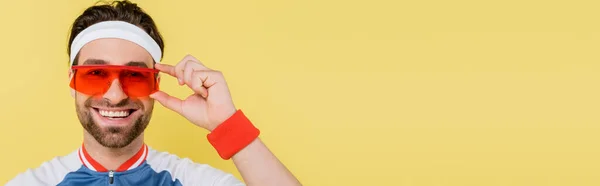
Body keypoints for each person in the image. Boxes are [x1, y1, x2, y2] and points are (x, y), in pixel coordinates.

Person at [6, 1, 301, 185]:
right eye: (95, 74)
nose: (116, 94)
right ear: (72, 81)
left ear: (156, 83)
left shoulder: (192, 181)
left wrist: (227, 124)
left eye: (135, 75)